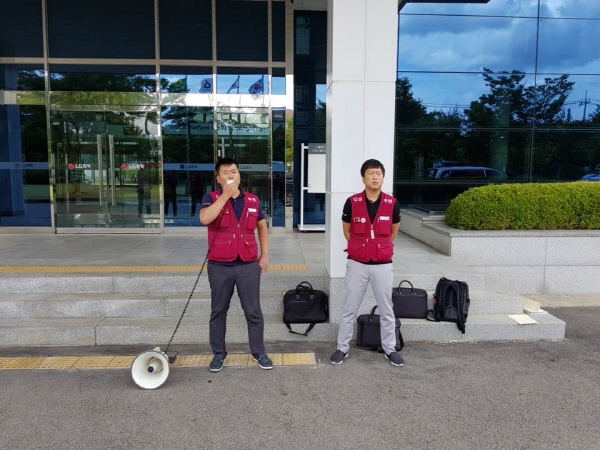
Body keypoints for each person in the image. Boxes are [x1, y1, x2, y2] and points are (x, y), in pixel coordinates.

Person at [199, 157, 272, 372]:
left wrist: (265, 253)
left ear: (240, 175)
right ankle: (218, 353)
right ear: (218, 178)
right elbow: (205, 218)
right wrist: (224, 197)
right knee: (219, 310)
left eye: (234, 172)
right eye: (226, 173)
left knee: (253, 311)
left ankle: (258, 351)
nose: (231, 176)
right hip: (220, 264)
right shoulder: (210, 198)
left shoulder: (252, 200)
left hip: (248, 263)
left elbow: (262, 227)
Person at [330, 159, 404, 367]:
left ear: (383, 176)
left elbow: (393, 232)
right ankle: (341, 348)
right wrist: (361, 247)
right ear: (363, 177)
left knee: (386, 308)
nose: (374, 177)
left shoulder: (391, 203)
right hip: (357, 263)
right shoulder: (352, 202)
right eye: (370, 173)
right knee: (349, 307)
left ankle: (390, 348)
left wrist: (377, 247)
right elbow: (347, 230)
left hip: (382, 264)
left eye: (378, 173)